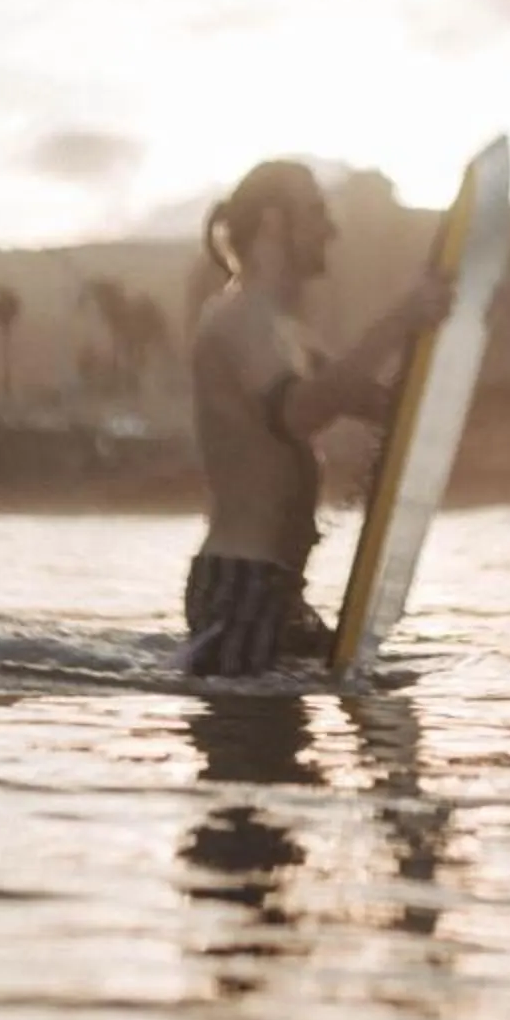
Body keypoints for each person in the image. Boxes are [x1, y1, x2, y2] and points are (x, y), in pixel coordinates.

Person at [183, 159, 450, 679]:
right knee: (257, 753)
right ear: (274, 224)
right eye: (316, 212)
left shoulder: (287, 332)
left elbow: (362, 398)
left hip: (279, 588)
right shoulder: (237, 319)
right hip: (243, 585)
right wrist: (400, 320)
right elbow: (301, 411)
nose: (332, 229)